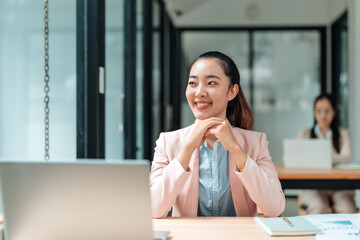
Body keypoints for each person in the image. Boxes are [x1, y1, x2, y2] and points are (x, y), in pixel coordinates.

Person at [149, 51, 285, 218]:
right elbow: (153, 209)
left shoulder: (256, 143)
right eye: (192, 83)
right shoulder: (168, 142)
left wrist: (236, 149)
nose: (199, 92)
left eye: (211, 83)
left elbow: (274, 208)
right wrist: (188, 148)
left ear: (232, 91)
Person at [298, 93, 357, 214]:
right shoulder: (305, 134)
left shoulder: (343, 134)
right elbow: (293, 158)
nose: (322, 115)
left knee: (347, 208)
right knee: (319, 207)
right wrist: (331, 158)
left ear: (334, 112)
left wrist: (320, 156)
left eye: (327, 111)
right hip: (312, 185)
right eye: (318, 111)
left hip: (339, 186)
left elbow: (346, 157)